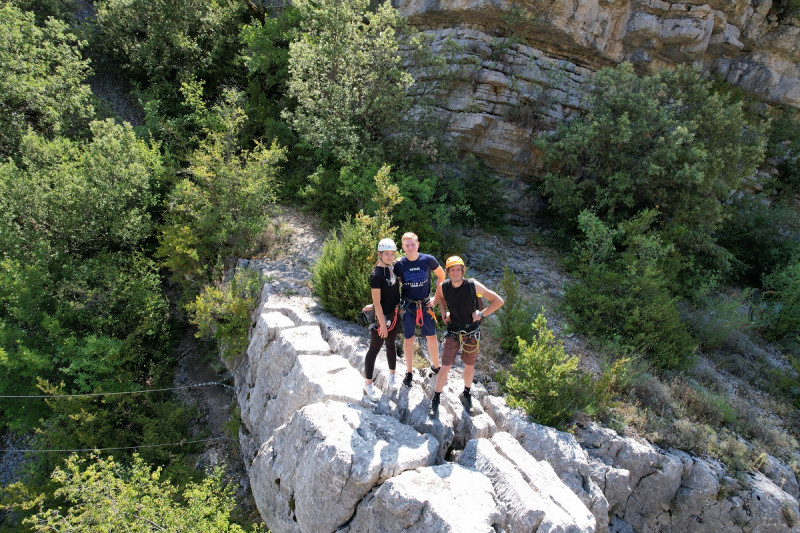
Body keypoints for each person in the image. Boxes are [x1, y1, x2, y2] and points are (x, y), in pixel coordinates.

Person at [430, 255, 504, 418]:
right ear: (448, 272)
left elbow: (498, 301)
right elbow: (440, 299)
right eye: (452, 270)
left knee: (469, 365)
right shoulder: (444, 286)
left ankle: (467, 392)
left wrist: (482, 314)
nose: (455, 273)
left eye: (458, 269)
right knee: (445, 366)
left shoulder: (472, 285)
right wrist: (443, 312)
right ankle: (436, 398)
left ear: (462, 270)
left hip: (471, 330)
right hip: (454, 330)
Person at [393, 232, 445, 388]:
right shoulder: (399, 265)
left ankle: (436, 367)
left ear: (418, 244)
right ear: (403, 247)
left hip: (425, 304)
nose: (410, 247)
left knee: (432, 337)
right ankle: (409, 372)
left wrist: (436, 299)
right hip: (408, 306)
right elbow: (394, 282)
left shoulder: (427, 260)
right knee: (408, 339)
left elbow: (442, 276)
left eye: (413, 244)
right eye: (407, 245)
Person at [361, 238, 402, 401]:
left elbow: (387, 294)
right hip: (381, 319)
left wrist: (372, 304)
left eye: (392, 254)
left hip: (394, 315)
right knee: (374, 350)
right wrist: (382, 324)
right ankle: (368, 384)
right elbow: (378, 302)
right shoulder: (376, 274)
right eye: (387, 254)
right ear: (379, 254)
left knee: (391, 345)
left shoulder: (390, 268)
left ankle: (392, 375)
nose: (390, 256)